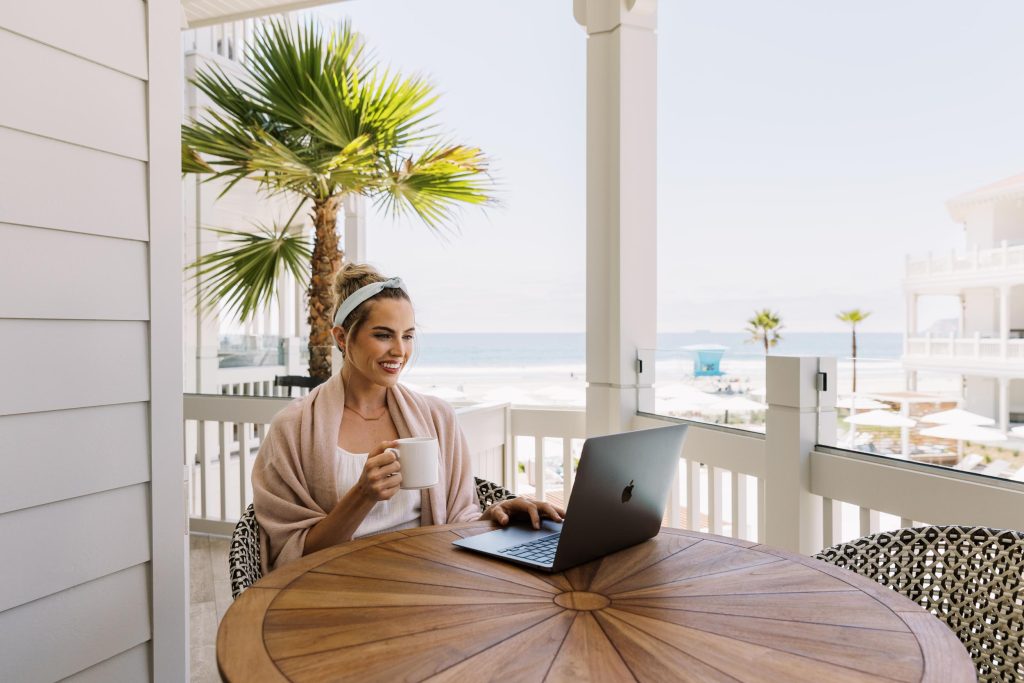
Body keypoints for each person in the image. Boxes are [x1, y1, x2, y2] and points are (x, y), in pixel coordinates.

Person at [252, 263, 564, 573]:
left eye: (408, 336)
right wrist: (362, 495)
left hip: (427, 580)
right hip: (338, 587)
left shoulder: (437, 417)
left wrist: (496, 515)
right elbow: (293, 556)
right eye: (383, 335)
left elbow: (456, 523)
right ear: (342, 338)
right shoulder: (293, 428)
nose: (400, 351)